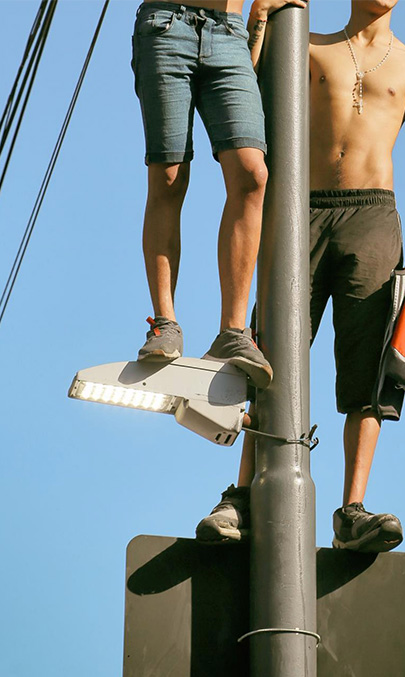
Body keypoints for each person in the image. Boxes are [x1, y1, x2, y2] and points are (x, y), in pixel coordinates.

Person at [197, 0, 405, 552]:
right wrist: (259, 22)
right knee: (270, 352)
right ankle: (241, 498)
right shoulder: (304, 42)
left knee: (369, 365)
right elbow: (248, 87)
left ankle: (352, 511)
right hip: (300, 210)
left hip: (374, 215)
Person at [131, 0, 307, 388]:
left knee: (252, 174)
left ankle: (232, 332)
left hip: (228, 32)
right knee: (170, 176)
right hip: (166, 24)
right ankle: (164, 324)